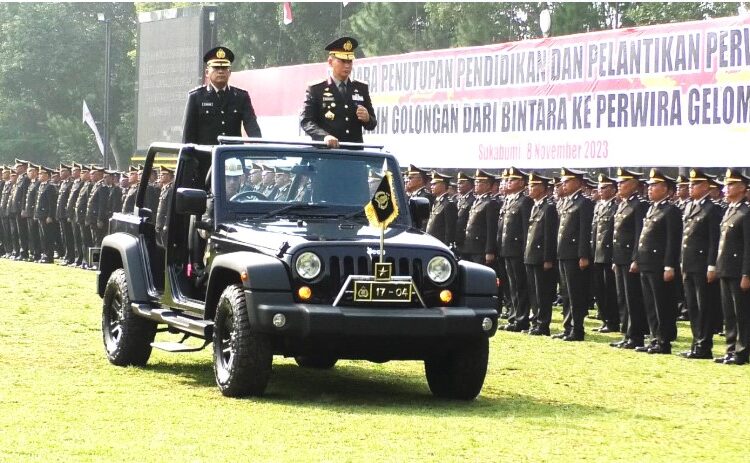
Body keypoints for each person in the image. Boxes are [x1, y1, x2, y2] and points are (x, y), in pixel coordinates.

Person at [633, 169, 681, 354]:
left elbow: (671, 241)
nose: (650, 189)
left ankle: (663, 341)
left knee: (662, 304)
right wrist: (637, 259)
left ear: (666, 189)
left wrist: (669, 265)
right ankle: (654, 338)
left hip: (660, 265)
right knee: (650, 304)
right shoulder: (652, 208)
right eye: (650, 185)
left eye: (655, 186)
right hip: (646, 262)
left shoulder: (670, 211)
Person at [300, 36, 377, 148]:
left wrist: (367, 118)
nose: (347, 65)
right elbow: (306, 121)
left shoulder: (361, 88)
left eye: (349, 61)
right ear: (330, 62)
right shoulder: (316, 89)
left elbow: (372, 124)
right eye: (342, 61)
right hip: (327, 155)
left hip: (354, 156)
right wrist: (324, 137)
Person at [680, 168, 722, 360]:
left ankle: (704, 346)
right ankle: (696, 343)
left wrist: (712, 266)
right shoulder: (690, 206)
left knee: (704, 306)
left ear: (706, 186)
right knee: (693, 306)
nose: (691, 187)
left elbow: (714, 240)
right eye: (690, 184)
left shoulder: (712, 209)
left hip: (702, 264)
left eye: (695, 184)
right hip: (689, 263)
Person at [182, 46, 261, 145]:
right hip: (206, 158)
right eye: (216, 67)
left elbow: (252, 128)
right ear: (207, 72)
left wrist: (260, 150)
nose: (220, 71)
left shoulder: (241, 97)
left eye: (224, 67)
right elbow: (188, 137)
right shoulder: (196, 97)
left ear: (229, 72)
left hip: (233, 157)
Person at [609, 168, 649, 349]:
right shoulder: (623, 204)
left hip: (630, 258)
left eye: (623, 182)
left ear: (634, 185)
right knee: (622, 298)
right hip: (619, 257)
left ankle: (636, 336)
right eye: (619, 182)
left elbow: (638, 235)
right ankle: (626, 334)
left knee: (633, 298)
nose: (619, 185)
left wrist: (636, 258)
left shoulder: (638, 205)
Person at [715, 169, 750, 365]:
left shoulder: (746, 212)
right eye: (726, 185)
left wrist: (747, 273)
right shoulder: (730, 210)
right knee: (728, 313)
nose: (726, 189)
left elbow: (748, 247)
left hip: (738, 271)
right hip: (726, 268)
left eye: (730, 185)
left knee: (741, 313)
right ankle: (730, 349)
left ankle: (742, 351)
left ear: (743, 188)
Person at [554, 167, 593, 341]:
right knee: (565, 293)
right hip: (564, 253)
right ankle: (567, 326)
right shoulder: (566, 201)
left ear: (578, 182)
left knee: (575, 293)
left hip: (575, 255)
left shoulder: (583, 203)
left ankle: (577, 329)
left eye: (568, 181)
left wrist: (583, 255)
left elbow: (585, 231)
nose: (564, 184)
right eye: (564, 181)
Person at [497, 167, 533, 332]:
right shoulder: (509, 200)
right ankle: (513, 317)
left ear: (521, 183)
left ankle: (521, 319)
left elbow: (526, 229)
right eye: (507, 180)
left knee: (520, 286)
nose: (507, 183)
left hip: (517, 250)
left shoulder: (524, 201)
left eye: (512, 180)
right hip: (506, 249)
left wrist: (526, 249)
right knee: (511, 286)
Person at [524, 173, 558, 336]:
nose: (530, 188)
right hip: (531, 254)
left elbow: (549, 235)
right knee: (533, 292)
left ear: (543, 188)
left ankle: (543, 324)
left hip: (541, 256)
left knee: (542, 292)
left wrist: (547, 258)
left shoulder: (549, 207)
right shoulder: (535, 205)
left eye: (533, 186)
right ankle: (535, 321)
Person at [591, 173, 619, 333]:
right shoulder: (599, 206)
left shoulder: (616, 206)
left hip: (608, 255)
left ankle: (613, 321)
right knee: (599, 290)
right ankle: (604, 319)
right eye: (599, 188)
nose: (600, 190)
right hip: (597, 254)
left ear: (613, 189)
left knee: (610, 291)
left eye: (604, 187)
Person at [462, 169, 499, 267]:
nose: (476, 184)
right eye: (475, 182)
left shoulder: (490, 203)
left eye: (479, 182)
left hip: (480, 248)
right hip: (469, 246)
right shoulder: (477, 201)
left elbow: (491, 229)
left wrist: (489, 251)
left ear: (487, 185)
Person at [425, 171, 457, 246]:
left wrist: (446, 245)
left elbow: (449, 229)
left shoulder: (448, 204)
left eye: (434, 184)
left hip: (440, 244)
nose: (431, 186)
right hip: (433, 242)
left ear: (443, 185)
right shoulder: (437, 201)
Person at [34, 166, 58, 263]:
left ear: (47, 175)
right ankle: (44, 254)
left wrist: (50, 215)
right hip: (40, 215)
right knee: (43, 237)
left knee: (48, 237)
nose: (39, 175)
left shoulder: (50, 186)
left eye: (41, 174)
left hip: (46, 215)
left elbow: (52, 203)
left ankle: (49, 256)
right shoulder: (41, 186)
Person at [56, 164, 76, 265]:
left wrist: (68, 214)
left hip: (66, 214)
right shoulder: (63, 183)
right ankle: (66, 255)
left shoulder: (71, 184)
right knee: (64, 236)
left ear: (68, 172)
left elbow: (70, 201)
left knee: (68, 237)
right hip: (61, 214)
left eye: (63, 171)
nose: (60, 173)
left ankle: (70, 257)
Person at [454, 171, 475, 256]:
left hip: (466, 241)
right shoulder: (457, 200)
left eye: (462, 183)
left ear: (470, 185)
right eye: (458, 183)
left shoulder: (472, 200)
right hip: (458, 240)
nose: (458, 185)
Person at [23, 164, 40, 262]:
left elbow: (36, 200)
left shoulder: (37, 183)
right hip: (29, 212)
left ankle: (37, 254)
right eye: (28, 171)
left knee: (35, 234)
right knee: (31, 234)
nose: (29, 173)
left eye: (31, 171)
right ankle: (33, 253)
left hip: (34, 212)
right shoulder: (31, 183)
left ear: (35, 172)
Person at [155, 166, 174, 248]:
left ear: (169, 176)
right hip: (160, 224)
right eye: (160, 174)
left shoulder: (170, 189)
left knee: (165, 248)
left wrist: (166, 225)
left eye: (163, 174)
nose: (160, 175)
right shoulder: (164, 189)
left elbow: (170, 209)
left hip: (164, 225)